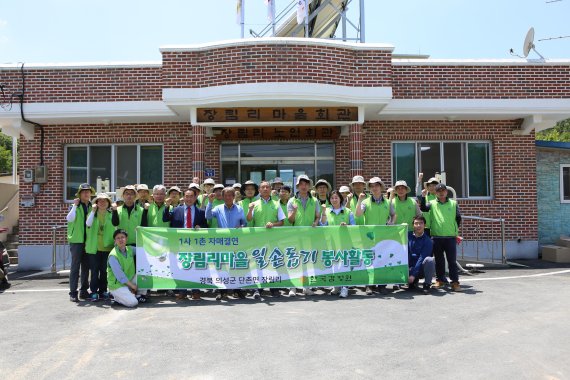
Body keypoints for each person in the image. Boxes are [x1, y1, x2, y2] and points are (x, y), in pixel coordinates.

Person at [163, 188, 208, 300]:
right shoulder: (176, 210)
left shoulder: (201, 212)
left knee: (194, 267)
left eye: (191, 196)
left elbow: (206, 227)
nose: (188, 199)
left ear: (195, 197)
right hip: (179, 244)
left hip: (194, 245)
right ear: (184, 197)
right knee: (181, 267)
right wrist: (167, 207)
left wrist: (200, 228)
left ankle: (195, 290)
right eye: (186, 196)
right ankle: (182, 290)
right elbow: (165, 219)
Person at [355, 177, 396, 295]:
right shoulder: (365, 202)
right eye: (372, 186)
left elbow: (393, 215)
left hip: (383, 236)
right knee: (370, 261)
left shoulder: (388, 202)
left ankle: (382, 285)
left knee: (382, 260)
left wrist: (392, 222)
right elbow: (358, 214)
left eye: (376, 185)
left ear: (381, 187)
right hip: (369, 236)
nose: (374, 188)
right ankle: (370, 285)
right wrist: (359, 200)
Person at [206, 187, 247, 300]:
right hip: (222, 242)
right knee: (222, 267)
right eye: (226, 195)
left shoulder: (239, 209)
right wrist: (209, 202)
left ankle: (237, 290)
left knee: (235, 266)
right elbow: (208, 216)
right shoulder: (218, 208)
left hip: (236, 242)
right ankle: (222, 291)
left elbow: (244, 223)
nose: (228, 197)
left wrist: (242, 226)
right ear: (223, 197)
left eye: (230, 195)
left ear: (234, 197)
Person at [419, 183, 462, 292]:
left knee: (452, 261)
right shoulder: (432, 203)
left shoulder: (453, 203)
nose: (441, 193)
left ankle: (455, 282)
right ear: (436, 193)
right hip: (436, 236)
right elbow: (423, 208)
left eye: (443, 190)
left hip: (450, 237)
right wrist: (423, 197)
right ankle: (440, 280)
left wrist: (454, 230)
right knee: (439, 260)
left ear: (446, 192)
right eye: (439, 191)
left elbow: (458, 218)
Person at [247, 181, 285, 299]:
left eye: (267, 187)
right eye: (262, 187)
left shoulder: (276, 204)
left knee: (273, 263)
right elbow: (249, 220)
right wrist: (249, 210)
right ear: (259, 190)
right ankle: (257, 288)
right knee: (259, 263)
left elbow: (282, 222)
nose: (265, 189)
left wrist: (273, 224)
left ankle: (274, 289)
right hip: (258, 239)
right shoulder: (254, 204)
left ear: (270, 189)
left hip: (273, 239)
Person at [287, 175, 321, 297]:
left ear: (309, 186)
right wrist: (295, 211)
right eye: (301, 184)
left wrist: (316, 222)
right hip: (296, 236)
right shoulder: (292, 201)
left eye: (306, 183)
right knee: (295, 261)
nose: (304, 186)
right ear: (297, 186)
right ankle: (293, 288)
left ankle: (306, 287)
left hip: (310, 236)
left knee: (307, 262)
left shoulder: (315, 201)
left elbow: (318, 216)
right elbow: (290, 220)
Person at [319, 190, 355, 298]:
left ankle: (345, 288)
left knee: (345, 265)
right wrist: (324, 212)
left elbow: (354, 227)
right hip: (331, 242)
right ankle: (337, 286)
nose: (334, 200)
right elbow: (323, 225)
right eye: (332, 198)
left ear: (340, 199)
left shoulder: (348, 212)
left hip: (345, 243)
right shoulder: (327, 211)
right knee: (334, 264)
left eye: (336, 198)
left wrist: (347, 225)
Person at [66, 183, 94, 302]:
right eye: (83, 192)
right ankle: (73, 292)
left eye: (88, 192)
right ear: (79, 194)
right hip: (77, 240)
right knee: (75, 267)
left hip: (89, 241)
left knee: (86, 267)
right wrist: (75, 206)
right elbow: (70, 218)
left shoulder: (93, 206)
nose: (86, 193)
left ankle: (84, 291)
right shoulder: (75, 206)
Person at [85, 193, 115, 301]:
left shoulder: (111, 214)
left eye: (105, 201)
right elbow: (88, 224)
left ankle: (103, 291)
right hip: (94, 247)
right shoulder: (92, 213)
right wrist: (93, 211)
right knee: (94, 271)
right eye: (100, 201)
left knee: (104, 271)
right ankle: (93, 291)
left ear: (108, 203)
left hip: (107, 247)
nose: (102, 203)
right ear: (96, 203)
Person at [107, 229, 146, 307]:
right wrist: (132, 286)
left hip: (129, 280)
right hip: (117, 285)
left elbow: (143, 250)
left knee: (144, 275)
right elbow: (120, 276)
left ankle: (138, 296)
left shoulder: (130, 249)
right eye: (118, 238)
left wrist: (140, 234)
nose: (121, 239)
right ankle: (117, 297)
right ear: (115, 240)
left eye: (123, 237)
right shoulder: (113, 255)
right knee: (133, 303)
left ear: (126, 239)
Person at [408, 216, 435, 294]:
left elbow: (421, 258)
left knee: (430, 260)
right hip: (407, 268)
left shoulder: (428, 241)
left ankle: (427, 284)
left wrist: (413, 274)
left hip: (420, 269)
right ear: (413, 225)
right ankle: (413, 282)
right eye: (416, 223)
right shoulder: (407, 236)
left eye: (421, 223)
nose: (418, 225)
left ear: (425, 225)